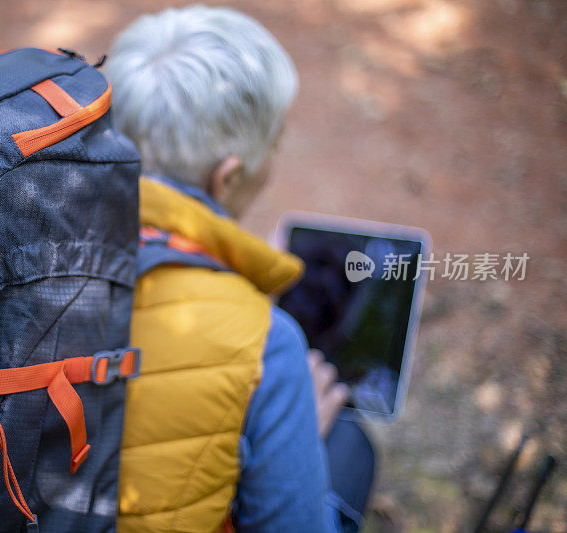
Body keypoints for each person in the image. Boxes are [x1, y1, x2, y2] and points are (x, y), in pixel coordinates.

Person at [106, 6, 374, 532]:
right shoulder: (270, 343)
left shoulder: (21, 235)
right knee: (349, 448)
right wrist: (302, 439)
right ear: (226, 178)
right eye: (271, 148)